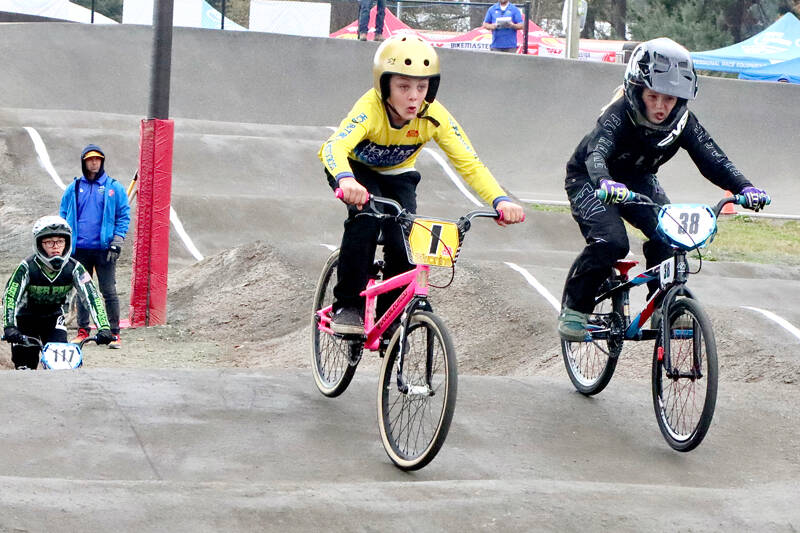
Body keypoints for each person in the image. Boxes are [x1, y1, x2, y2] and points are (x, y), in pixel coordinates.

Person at [557, 37, 770, 342]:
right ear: (637, 91)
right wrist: (604, 181)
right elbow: (596, 154)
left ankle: (663, 307)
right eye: (653, 96)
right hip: (591, 180)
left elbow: (714, 160)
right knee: (612, 242)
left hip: (638, 180)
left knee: (671, 235)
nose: (660, 107)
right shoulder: (618, 114)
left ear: (680, 99)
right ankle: (575, 310)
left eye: (669, 99)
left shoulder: (683, 122)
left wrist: (745, 187)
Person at [318, 35, 525, 335]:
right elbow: (333, 147)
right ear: (384, 86)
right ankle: (347, 305)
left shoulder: (434, 115)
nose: (414, 97)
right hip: (354, 171)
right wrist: (346, 179)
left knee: (406, 241)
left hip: (398, 175)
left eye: (422, 87)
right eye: (403, 87)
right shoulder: (370, 109)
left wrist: (500, 199)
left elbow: (469, 162)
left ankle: (390, 318)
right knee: (366, 220)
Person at [2, 216, 114, 369]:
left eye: (60, 241)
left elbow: (92, 297)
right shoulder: (26, 267)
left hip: (54, 319)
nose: (56, 247)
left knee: (62, 366)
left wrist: (104, 327)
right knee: (25, 367)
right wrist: (9, 326)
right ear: (39, 244)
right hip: (25, 320)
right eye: (49, 242)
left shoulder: (75, 268)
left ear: (67, 242)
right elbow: (10, 297)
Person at [59, 145, 130, 349]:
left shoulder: (114, 188)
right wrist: (64, 241)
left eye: (97, 159)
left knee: (108, 291)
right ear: (84, 162)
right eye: (90, 159)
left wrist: (117, 241)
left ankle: (114, 333)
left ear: (102, 162)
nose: (94, 163)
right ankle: (83, 331)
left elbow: (123, 216)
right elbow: (63, 214)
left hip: (104, 250)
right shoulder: (73, 188)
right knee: (83, 291)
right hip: (79, 250)